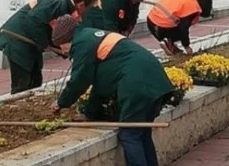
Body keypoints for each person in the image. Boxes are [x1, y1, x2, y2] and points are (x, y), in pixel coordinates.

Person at [51, 15, 174, 166]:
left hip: (138, 85)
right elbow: (100, 86)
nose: (63, 51)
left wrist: (61, 103)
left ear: (66, 40)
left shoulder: (81, 45)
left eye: (61, 46)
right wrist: (89, 114)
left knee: (130, 135)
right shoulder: (90, 36)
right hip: (154, 81)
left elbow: (79, 80)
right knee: (142, 133)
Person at [0, 0, 97, 94]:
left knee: (35, 81)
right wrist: (45, 44)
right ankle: (14, 108)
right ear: (81, 5)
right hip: (16, 40)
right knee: (23, 82)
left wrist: (65, 51)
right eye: (89, 8)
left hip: (29, 43)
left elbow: (54, 34)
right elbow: (33, 20)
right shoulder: (59, 4)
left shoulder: (63, 6)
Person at [146, 0, 213, 56]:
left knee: (176, 21)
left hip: (151, 20)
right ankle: (168, 42)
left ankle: (167, 42)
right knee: (181, 28)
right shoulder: (191, 6)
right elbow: (183, 28)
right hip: (163, 25)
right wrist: (187, 46)